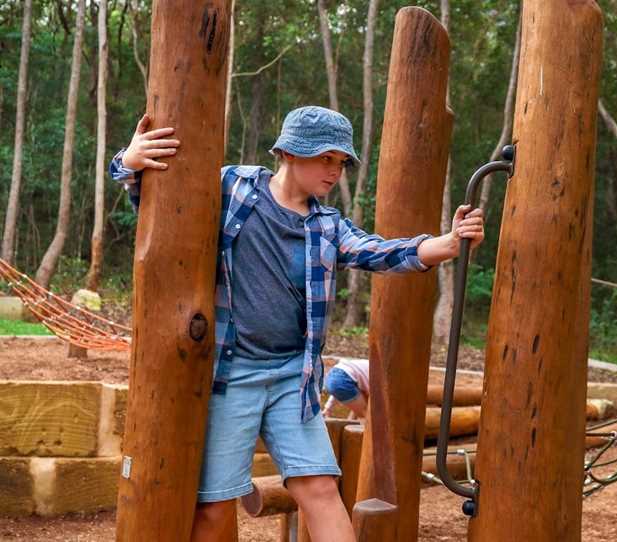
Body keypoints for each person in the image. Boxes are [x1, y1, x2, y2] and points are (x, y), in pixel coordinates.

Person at [110, 106, 485, 542]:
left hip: (294, 375)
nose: (335, 171)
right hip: (230, 374)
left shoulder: (326, 225)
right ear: (289, 152)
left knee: (321, 488)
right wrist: (129, 163)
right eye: (326, 158)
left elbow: (378, 252)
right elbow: (165, 207)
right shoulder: (234, 187)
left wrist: (448, 242)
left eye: (341, 163)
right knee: (213, 506)